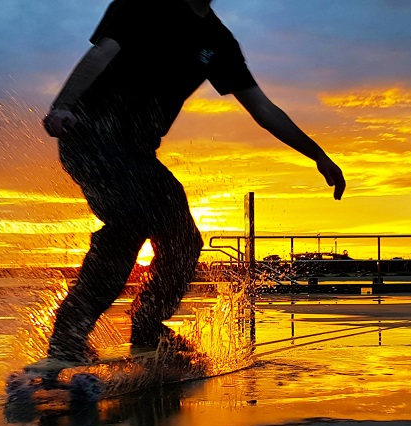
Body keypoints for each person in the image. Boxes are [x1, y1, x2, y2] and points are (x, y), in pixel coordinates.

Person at [35, 0, 346, 371]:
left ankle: (148, 329)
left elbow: (263, 109)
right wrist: (64, 104)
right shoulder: (144, 3)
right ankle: (68, 338)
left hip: (138, 154)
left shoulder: (218, 39)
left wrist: (318, 154)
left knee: (184, 240)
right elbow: (102, 53)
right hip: (88, 134)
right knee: (129, 223)